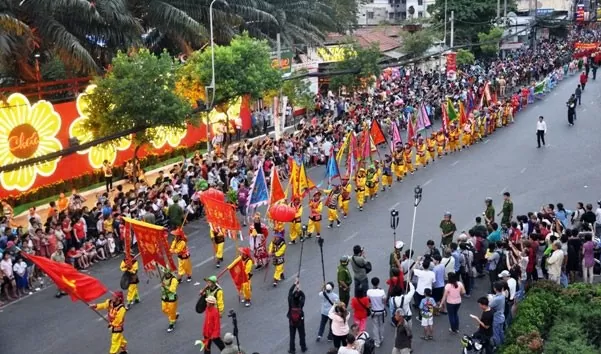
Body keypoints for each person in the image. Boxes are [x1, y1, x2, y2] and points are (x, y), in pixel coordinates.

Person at [288, 278, 307, 354]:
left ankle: (292, 350)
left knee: (292, 336)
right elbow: (303, 296)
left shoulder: (290, 300)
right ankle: (303, 347)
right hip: (300, 321)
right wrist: (299, 289)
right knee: (302, 334)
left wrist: (295, 284)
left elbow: (290, 291)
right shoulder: (300, 303)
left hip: (291, 320)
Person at [366, 277, 386, 347]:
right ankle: (381, 337)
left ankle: (377, 341)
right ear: (378, 283)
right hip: (381, 311)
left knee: (375, 326)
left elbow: (368, 301)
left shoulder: (369, 292)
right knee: (381, 325)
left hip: (374, 311)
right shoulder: (382, 291)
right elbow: (384, 301)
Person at [160, 268, 180, 333]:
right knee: (164, 309)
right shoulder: (163, 277)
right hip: (164, 297)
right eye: (166, 273)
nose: (167, 274)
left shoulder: (174, 280)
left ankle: (172, 323)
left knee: (171, 311)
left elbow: (172, 290)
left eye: (168, 273)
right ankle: (174, 315)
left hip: (171, 298)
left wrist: (165, 286)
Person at [489, 281, 506, 347]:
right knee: (501, 332)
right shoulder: (503, 295)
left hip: (496, 318)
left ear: (495, 289)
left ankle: (499, 347)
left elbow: (489, 305)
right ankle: (503, 343)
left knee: (496, 334)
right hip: (501, 317)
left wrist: (490, 299)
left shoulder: (496, 299)